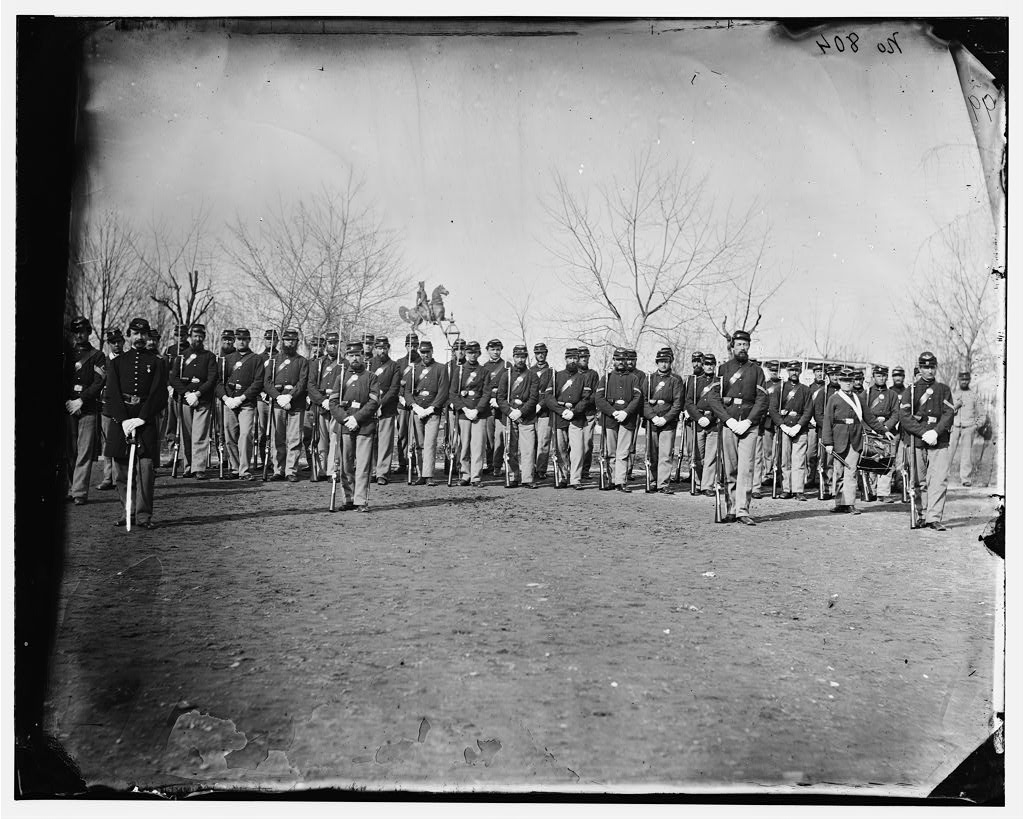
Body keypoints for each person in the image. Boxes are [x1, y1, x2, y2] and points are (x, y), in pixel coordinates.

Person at [103, 317, 168, 529]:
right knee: (121, 471)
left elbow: (159, 394)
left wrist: (142, 417)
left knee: (146, 470)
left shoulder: (158, 363)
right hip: (121, 421)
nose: (139, 337)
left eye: (143, 334)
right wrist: (123, 420)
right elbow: (111, 394)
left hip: (145, 420)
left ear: (148, 336)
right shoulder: (116, 363)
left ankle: (143, 516)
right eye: (135, 333)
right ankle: (128, 511)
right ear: (128, 335)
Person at [705, 330, 768, 525]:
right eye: (739, 344)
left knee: (746, 469)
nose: (742, 348)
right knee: (730, 468)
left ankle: (742, 510)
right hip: (729, 423)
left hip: (748, 425)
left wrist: (748, 421)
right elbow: (713, 397)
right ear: (732, 347)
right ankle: (731, 508)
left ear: (749, 346)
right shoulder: (723, 369)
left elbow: (762, 398)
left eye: (745, 344)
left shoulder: (756, 371)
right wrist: (728, 420)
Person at [822, 367, 893, 514]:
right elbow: (827, 421)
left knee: (851, 471)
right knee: (839, 472)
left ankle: (850, 503)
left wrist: (884, 431)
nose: (848, 384)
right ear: (840, 381)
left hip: (855, 439)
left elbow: (870, 418)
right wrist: (828, 443)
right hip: (838, 439)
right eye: (845, 381)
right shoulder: (833, 398)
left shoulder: (858, 398)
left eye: (850, 381)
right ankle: (840, 503)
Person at [899, 351, 955, 530]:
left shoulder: (943, 390)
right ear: (920, 368)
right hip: (918, 440)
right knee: (918, 481)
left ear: (935, 368)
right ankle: (921, 515)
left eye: (932, 367)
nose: (929, 371)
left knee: (939, 480)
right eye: (925, 367)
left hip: (939, 440)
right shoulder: (911, 390)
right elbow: (904, 416)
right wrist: (923, 433)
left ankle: (934, 517)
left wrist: (936, 432)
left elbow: (948, 414)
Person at [329, 341, 380, 512]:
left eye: (358, 355)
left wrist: (356, 419)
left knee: (364, 465)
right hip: (344, 426)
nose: (355, 358)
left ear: (363, 356)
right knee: (345, 465)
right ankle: (348, 499)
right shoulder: (340, 377)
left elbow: (374, 402)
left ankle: (361, 501)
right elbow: (333, 403)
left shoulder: (371, 377)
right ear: (346, 357)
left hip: (364, 426)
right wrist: (345, 419)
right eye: (351, 355)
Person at [64, 316, 106, 505]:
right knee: (68, 451)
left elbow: (99, 382)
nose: (79, 335)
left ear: (89, 332)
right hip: (67, 408)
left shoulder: (97, 356)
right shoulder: (67, 355)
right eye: (76, 332)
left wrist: (82, 399)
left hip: (87, 407)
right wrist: (68, 401)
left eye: (83, 331)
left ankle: (79, 492)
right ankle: (70, 488)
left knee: (84, 451)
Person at [168, 323, 217, 479]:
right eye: (195, 336)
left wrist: (198, 394)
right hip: (185, 400)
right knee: (186, 435)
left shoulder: (210, 357)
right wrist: (186, 393)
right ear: (190, 337)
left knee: (200, 434)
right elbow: (173, 378)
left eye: (201, 336)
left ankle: (199, 468)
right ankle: (188, 466)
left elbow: (212, 379)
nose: (198, 338)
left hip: (203, 401)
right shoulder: (181, 357)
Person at [216, 327, 264, 480]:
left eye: (244, 339)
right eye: (238, 339)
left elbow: (258, 383)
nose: (241, 341)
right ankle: (235, 468)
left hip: (246, 403)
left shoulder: (256, 359)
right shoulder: (227, 359)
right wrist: (225, 398)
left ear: (249, 340)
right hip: (229, 402)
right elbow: (218, 382)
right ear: (235, 340)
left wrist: (242, 398)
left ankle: (245, 470)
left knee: (245, 435)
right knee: (229, 436)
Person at [544, 347, 594, 490]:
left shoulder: (583, 378)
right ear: (565, 359)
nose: (572, 361)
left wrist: (575, 412)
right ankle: (563, 477)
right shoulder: (556, 376)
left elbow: (586, 399)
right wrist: (561, 411)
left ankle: (575, 479)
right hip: (559, 417)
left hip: (577, 418)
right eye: (570, 358)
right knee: (560, 449)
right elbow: (548, 397)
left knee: (578, 449)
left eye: (575, 358)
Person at [264, 327, 309, 482]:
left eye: (293, 340)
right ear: (282, 341)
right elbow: (267, 382)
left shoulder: (302, 361)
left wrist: (289, 397)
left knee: (295, 439)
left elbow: (302, 382)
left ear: (297, 342)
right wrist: (278, 397)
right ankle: (278, 469)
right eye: (287, 340)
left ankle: (291, 470)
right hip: (277, 404)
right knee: (277, 439)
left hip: (296, 404)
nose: (290, 343)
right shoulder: (273, 359)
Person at [406, 340, 450, 485]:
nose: (425, 355)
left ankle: (429, 474)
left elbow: (443, 391)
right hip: (418, 409)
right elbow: (407, 391)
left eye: (428, 352)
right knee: (418, 444)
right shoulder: (414, 369)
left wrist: (432, 407)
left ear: (432, 351)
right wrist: (414, 406)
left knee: (430, 443)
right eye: (423, 352)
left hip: (432, 411)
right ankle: (420, 474)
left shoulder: (440, 368)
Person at [495, 344, 540, 488]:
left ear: (526, 358)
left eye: (523, 357)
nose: (520, 359)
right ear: (513, 357)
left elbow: (533, 398)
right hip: (509, 417)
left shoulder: (532, 375)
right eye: (517, 356)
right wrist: (510, 412)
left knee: (527, 450)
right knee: (510, 449)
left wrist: (521, 412)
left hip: (527, 417)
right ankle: (513, 477)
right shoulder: (506, 375)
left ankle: (527, 478)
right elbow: (500, 398)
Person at [641, 347, 684, 494]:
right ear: (657, 362)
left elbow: (678, 403)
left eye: (666, 361)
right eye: (661, 362)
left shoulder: (676, 380)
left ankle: (663, 483)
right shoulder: (649, 379)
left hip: (668, 422)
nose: (663, 365)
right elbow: (644, 401)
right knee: (652, 454)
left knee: (665, 454)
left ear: (670, 362)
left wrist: (665, 418)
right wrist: (653, 417)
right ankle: (652, 481)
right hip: (652, 420)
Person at [768, 361, 813, 500]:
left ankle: (798, 490)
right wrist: (782, 425)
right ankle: (786, 489)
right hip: (784, 427)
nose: (794, 372)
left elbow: (808, 410)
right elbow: (773, 409)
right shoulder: (779, 388)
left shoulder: (805, 390)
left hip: (800, 428)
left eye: (797, 370)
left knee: (799, 461)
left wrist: (799, 425)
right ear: (787, 371)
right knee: (784, 460)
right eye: (792, 370)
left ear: (800, 371)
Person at [450, 340, 490, 486]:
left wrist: (477, 410)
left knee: (478, 446)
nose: (473, 355)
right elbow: (453, 393)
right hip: (464, 412)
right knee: (464, 445)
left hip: (479, 413)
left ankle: (476, 477)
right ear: (466, 353)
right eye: (470, 352)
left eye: (475, 352)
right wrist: (465, 409)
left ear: (479, 353)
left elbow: (486, 393)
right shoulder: (459, 371)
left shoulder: (484, 371)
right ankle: (465, 474)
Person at [862, 364, 900, 501]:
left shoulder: (892, 395)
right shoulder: (866, 394)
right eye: (878, 375)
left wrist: (886, 428)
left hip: (888, 432)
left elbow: (896, 414)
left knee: (886, 461)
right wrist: (873, 428)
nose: (881, 378)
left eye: (884, 375)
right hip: (871, 430)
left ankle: (883, 493)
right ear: (873, 377)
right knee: (871, 460)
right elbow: (861, 413)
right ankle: (871, 491)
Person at [307, 333, 341, 481]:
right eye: (330, 343)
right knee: (320, 438)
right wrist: (321, 400)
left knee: (335, 438)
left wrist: (332, 401)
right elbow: (311, 385)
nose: (333, 346)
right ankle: (320, 469)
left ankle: (332, 470)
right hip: (320, 405)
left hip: (335, 405)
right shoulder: (318, 363)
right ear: (325, 344)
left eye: (336, 343)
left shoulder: (343, 363)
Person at [96, 328, 126, 490]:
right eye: (113, 342)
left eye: (119, 342)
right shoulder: (104, 362)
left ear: (123, 342)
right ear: (108, 344)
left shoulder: (129, 360)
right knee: (107, 443)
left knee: (124, 442)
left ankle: (121, 477)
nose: (116, 345)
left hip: (126, 409)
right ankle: (108, 478)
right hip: (107, 407)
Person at [370, 336, 402, 484]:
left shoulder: (394, 366)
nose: (381, 351)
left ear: (388, 348)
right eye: (379, 348)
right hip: (370, 408)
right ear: (375, 348)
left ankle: (382, 473)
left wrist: (380, 404)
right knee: (370, 440)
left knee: (385, 442)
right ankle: (372, 470)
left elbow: (394, 388)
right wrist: (372, 405)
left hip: (387, 408)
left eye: (384, 348)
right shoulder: (369, 364)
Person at [692, 353, 722, 497]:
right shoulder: (696, 382)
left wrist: (712, 417)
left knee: (711, 457)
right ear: (702, 365)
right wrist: (698, 417)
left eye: (712, 364)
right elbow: (689, 402)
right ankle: (698, 483)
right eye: (707, 364)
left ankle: (707, 485)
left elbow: (721, 404)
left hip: (713, 422)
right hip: (698, 422)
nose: (709, 367)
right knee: (698, 456)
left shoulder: (720, 382)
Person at [948, 370, 985, 486]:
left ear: (969, 380)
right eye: (962, 379)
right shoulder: (952, 395)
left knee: (966, 454)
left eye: (966, 379)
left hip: (968, 427)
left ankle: (965, 479)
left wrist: (975, 426)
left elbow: (982, 414)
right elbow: (946, 412)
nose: (964, 381)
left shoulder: (974, 396)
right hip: (954, 427)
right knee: (948, 452)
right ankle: (943, 477)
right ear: (958, 380)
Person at [754, 359, 782, 497]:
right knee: (767, 450)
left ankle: (778, 474)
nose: (774, 372)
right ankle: (768, 473)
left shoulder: (783, 386)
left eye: (776, 370)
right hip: (766, 421)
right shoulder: (765, 384)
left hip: (780, 420)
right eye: (771, 370)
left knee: (780, 451)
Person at [161, 323, 189, 462]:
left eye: (183, 335)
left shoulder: (192, 350)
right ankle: (173, 454)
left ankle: (184, 456)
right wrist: (168, 387)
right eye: (177, 335)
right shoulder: (169, 351)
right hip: (171, 392)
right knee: (171, 424)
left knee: (185, 424)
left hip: (186, 392)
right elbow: (164, 371)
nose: (180, 338)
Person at [395, 332, 421, 474]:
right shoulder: (399, 363)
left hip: (417, 403)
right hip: (402, 404)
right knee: (402, 433)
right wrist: (401, 396)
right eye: (410, 345)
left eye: (415, 345)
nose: (413, 348)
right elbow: (396, 382)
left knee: (416, 434)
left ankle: (416, 463)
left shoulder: (421, 363)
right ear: (406, 346)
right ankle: (402, 462)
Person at [255, 329, 280, 472]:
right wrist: (262, 393)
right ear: (264, 340)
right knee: (262, 430)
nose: (270, 341)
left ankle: (274, 460)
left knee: (275, 430)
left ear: (277, 341)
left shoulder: (280, 357)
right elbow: (256, 378)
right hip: (261, 399)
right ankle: (264, 460)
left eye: (273, 339)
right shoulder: (259, 358)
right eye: (268, 339)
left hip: (275, 398)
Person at [481, 339, 507, 475]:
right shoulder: (484, 367)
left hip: (501, 407)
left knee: (500, 436)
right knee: (489, 437)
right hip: (488, 406)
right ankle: (490, 464)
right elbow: (483, 387)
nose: (495, 352)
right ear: (488, 350)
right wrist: (490, 398)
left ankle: (497, 466)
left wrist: (498, 400)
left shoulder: (507, 366)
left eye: (498, 349)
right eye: (493, 349)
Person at [529, 342, 554, 478]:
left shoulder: (552, 372)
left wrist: (541, 404)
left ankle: (541, 469)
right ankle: (530, 468)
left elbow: (551, 393)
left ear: (546, 353)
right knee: (531, 441)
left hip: (544, 411)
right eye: (538, 353)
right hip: (530, 411)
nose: (540, 355)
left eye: (542, 353)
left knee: (544, 440)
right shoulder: (529, 371)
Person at [577, 345, 600, 480]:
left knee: (587, 444)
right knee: (572, 444)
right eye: (581, 357)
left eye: (586, 357)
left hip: (588, 413)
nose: (583, 359)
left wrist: (582, 403)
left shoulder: (593, 374)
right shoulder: (572, 374)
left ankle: (585, 471)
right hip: (574, 414)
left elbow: (595, 394)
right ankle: (573, 469)